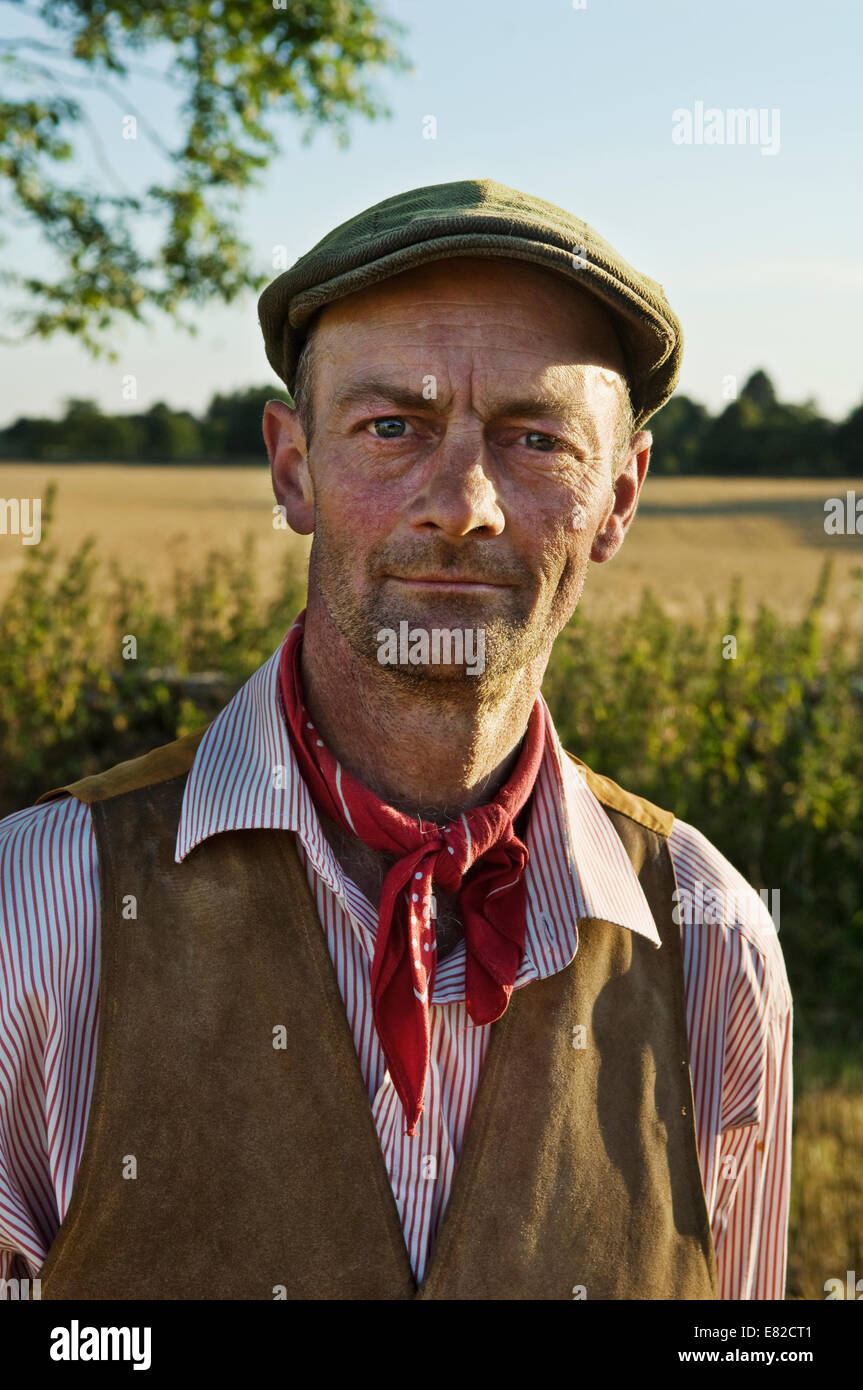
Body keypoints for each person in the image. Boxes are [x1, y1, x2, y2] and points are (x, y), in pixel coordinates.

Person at [0, 179, 791, 1301]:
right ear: (291, 465)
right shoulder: (39, 912)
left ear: (618, 496)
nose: (461, 501)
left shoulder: (715, 950)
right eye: (391, 427)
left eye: (533, 437)